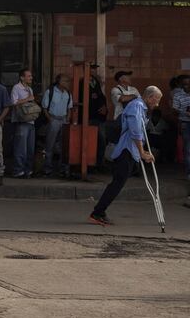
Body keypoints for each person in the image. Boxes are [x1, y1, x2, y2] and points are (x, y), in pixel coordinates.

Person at [89, 86, 162, 226]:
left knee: (118, 182)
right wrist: (142, 153)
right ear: (149, 97)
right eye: (156, 100)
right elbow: (135, 132)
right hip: (126, 151)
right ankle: (97, 213)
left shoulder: (142, 108)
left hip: (130, 151)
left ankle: (99, 212)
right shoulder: (136, 107)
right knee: (117, 183)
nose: (157, 104)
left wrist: (143, 152)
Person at [41, 74, 74, 177]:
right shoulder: (50, 92)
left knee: (63, 145)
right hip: (54, 119)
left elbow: (70, 107)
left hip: (63, 120)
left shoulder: (68, 93)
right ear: (59, 81)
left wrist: (68, 118)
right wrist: (50, 119)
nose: (67, 83)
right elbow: (44, 107)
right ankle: (48, 168)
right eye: (65, 81)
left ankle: (63, 169)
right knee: (50, 145)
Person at [11, 68, 37, 179]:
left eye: (31, 76)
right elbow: (13, 102)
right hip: (21, 121)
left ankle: (28, 170)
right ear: (22, 77)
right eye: (29, 76)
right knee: (21, 148)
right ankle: (18, 170)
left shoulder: (29, 89)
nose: (31, 78)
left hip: (31, 121)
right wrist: (27, 99)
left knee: (30, 148)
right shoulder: (16, 88)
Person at [172, 75, 190, 180]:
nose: (187, 86)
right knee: (188, 149)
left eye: (189, 84)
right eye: (185, 84)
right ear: (181, 85)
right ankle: (189, 173)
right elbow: (174, 111)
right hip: (185, 123)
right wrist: (184, 112)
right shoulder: (178, 95)